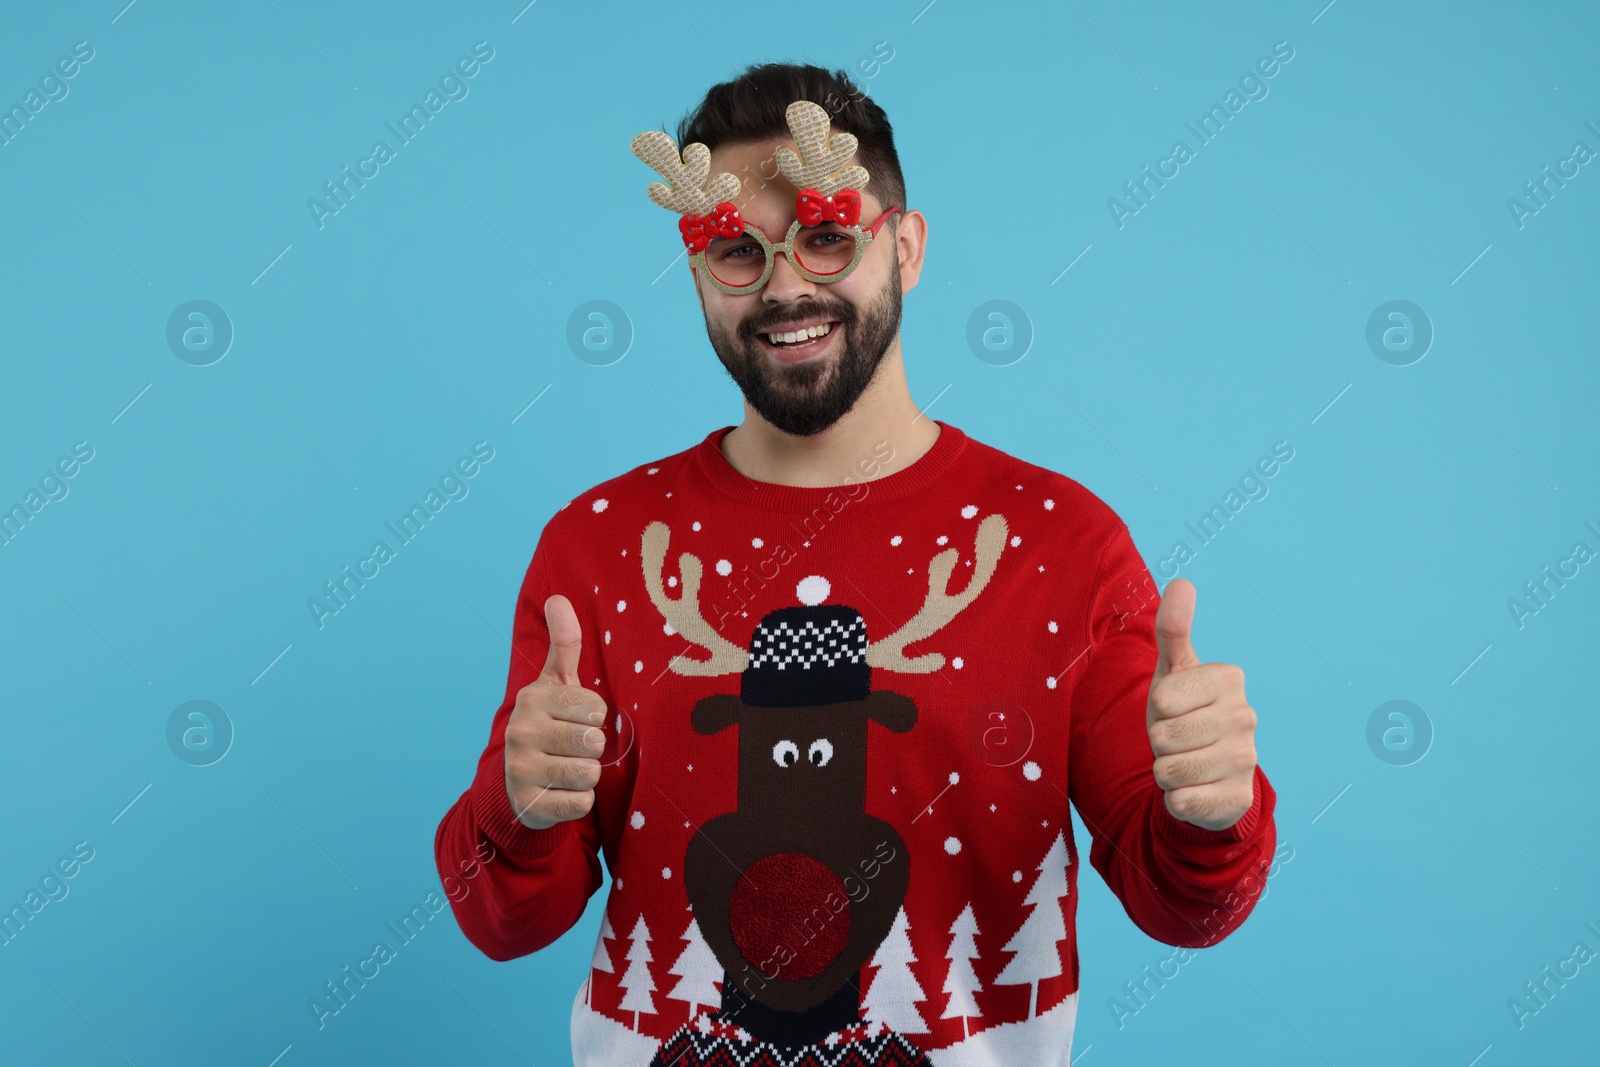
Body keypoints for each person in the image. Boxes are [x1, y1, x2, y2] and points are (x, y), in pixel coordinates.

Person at [434, 63, 1277, 1067]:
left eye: (828, 236)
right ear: (695, 271)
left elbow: (1184, 907)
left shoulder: (1064, 543)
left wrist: (1214, 814)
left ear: (905, 247)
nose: (787, 284)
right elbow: (501, 920)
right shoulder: (601, 545)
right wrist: (519, 812)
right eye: (738, 251)